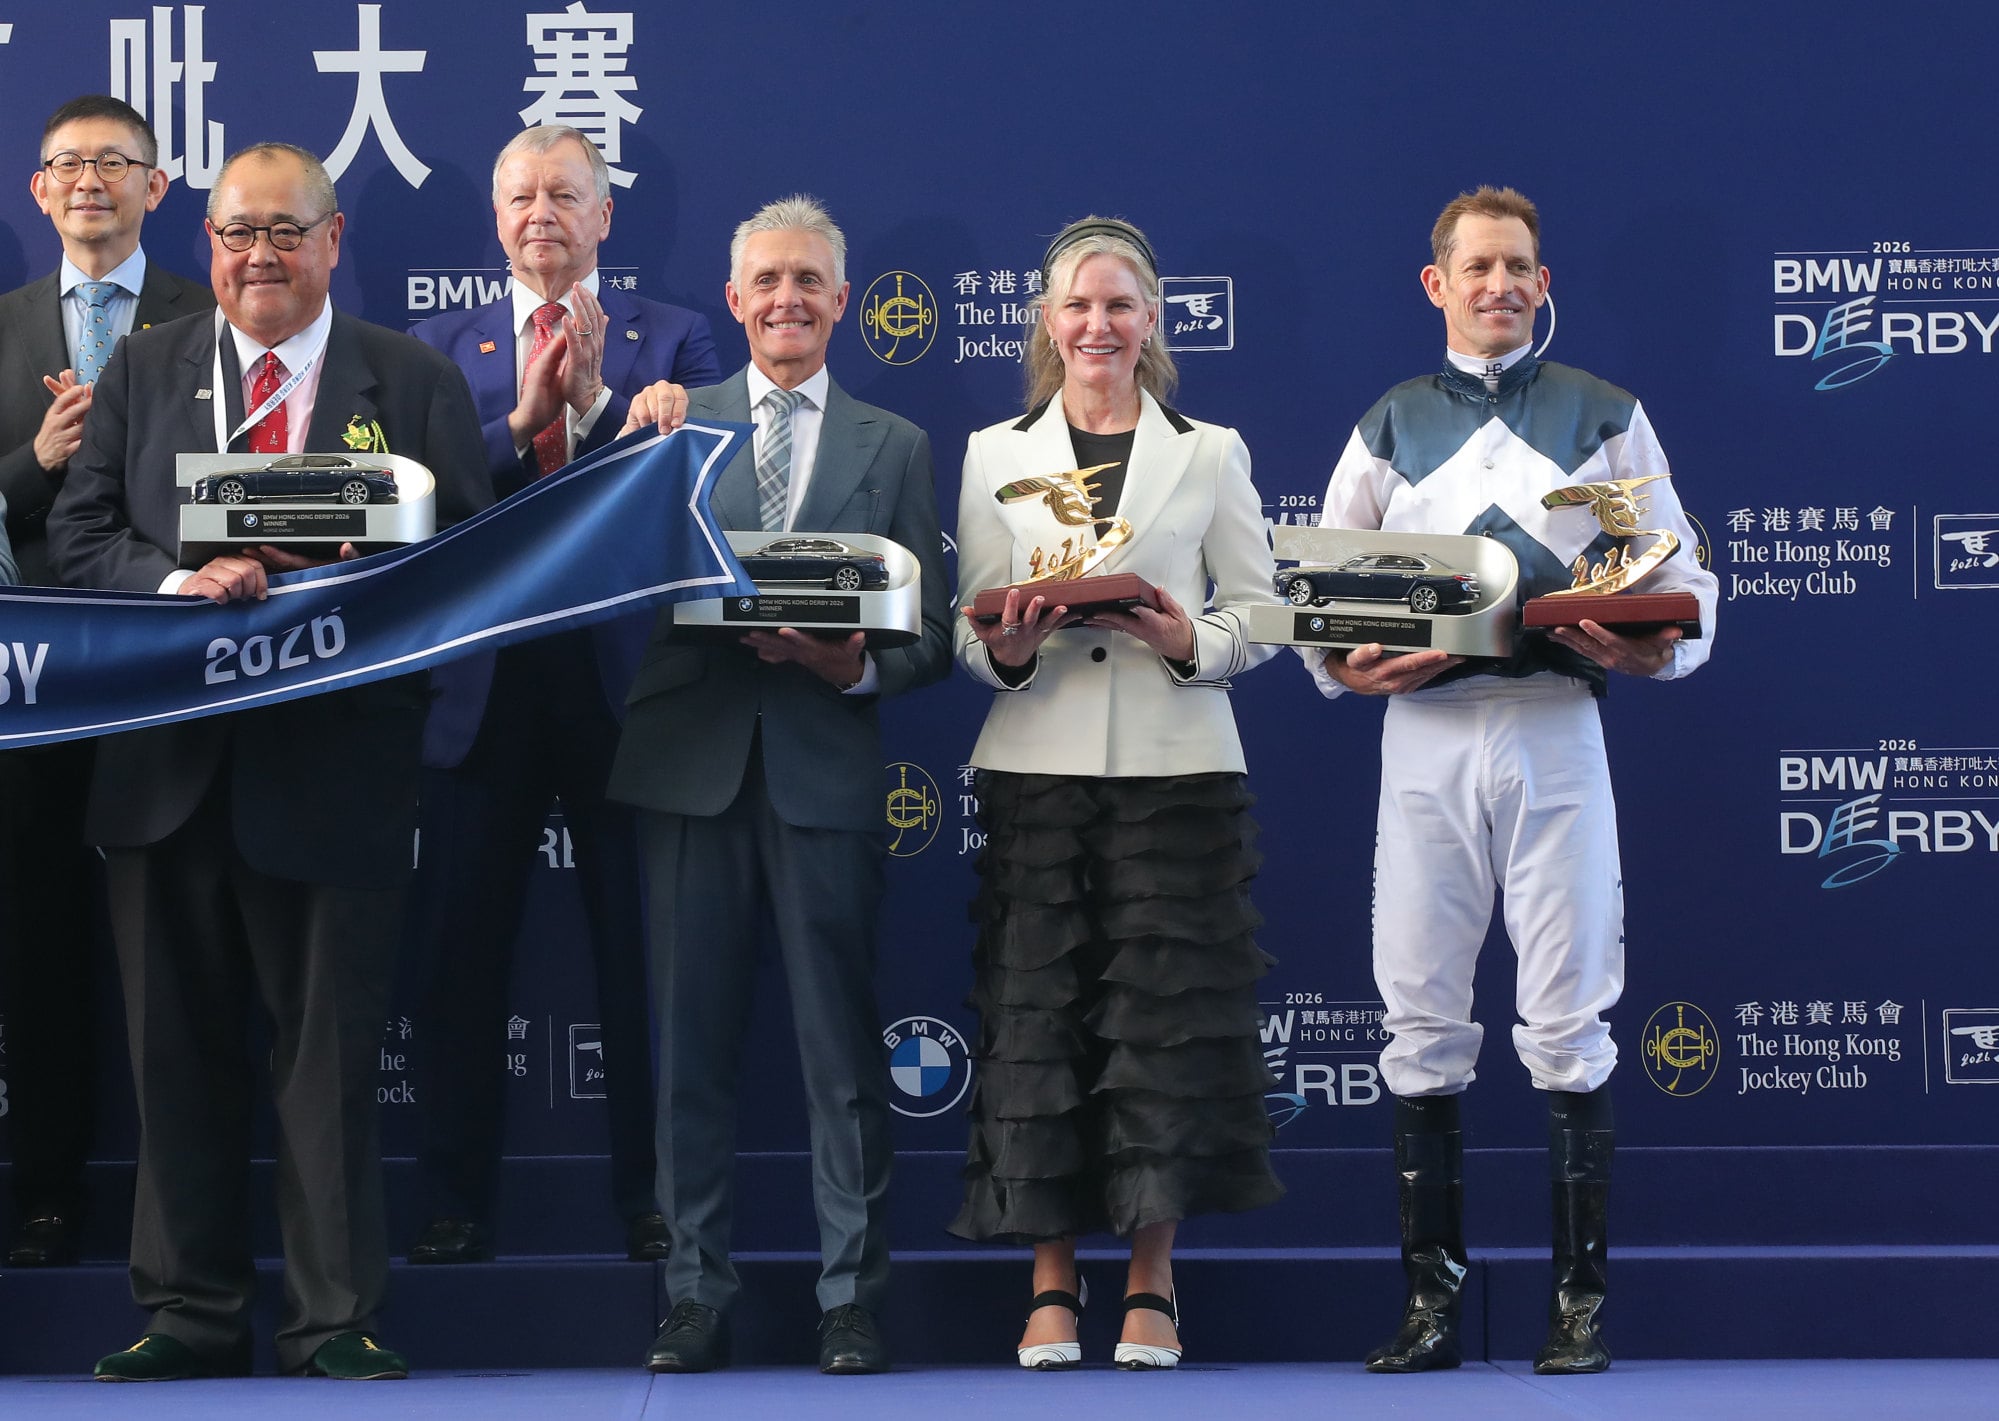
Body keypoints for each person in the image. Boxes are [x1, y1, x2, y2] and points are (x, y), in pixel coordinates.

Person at [46, 141, 491, 1381]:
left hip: (336, 772)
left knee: (327, 1063)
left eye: (285, 232)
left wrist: (343, 577)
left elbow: (466, 564)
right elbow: (80, 537)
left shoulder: (405, 377)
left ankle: (330, 1313)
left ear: (333, 241)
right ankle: (187, 1309)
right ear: (209, 246)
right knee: (172, 1056)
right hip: (166, 773)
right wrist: (180, 579)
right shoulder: (143, 371)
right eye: (238, 234)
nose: (260, 257)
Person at [1305, 186, 1717, 1375]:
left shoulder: (1605, 413)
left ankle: (1578, 1309)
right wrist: (1348, 661)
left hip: (1554, 724)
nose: (1499, 284)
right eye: (1478, 265)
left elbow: (1681, 574)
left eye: (1519, 266)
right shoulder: (1387, 422)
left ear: (1543, 282)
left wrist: (1656, 643)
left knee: (1570, 1012)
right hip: (1426, 743)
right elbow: (1323, 601)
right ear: (1435, 283)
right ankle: (1430, 1309)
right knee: (1419, 1013)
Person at [610, 194, 950, 1375]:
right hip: (690, 761)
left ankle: (849, 1298)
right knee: (687, 1048)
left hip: (822, 766)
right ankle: (693, 1294)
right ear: (735, 297)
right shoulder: (670, 426)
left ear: (841, 302)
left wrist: (851, 661)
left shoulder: (895, 444)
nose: (787, 300)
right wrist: (628, 441)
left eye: (809, 281)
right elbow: (608, 572)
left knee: (840, 1056)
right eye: (767, 281)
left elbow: (934, 633)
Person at [949, 216, 1284, 1371]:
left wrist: (1186, 633)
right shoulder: (994, 451)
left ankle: (1151, 1278)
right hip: (1036, 762)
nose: (1098, 325)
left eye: (1120, 304)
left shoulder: (1212, 451)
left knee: (1162, 1028)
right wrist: (1007, 647)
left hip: (1177, 765)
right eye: (1078, 306)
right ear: (1047, 322)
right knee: (1036, 1021)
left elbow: (1263, 612)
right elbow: (970, 617)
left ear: (1152, 321)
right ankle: (1050, 1280)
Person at [401, 123, 720, 1267]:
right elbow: (426, 506)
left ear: (605, 216)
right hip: (478, 687)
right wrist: (528, 420)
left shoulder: (678, 340)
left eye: (565, 195)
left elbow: (691, 499)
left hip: (622, 680)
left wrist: (593, 408)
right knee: (456, 957)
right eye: (521, 196)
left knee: (639, 952)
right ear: (495, 218)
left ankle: (652, 1195)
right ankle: (451, 1197)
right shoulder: (433, 352)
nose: (542, 213)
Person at [0, 95, 212, 1271]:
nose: (90, 181)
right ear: (38, 192)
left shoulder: (207, 314)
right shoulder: (1, 327)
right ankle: (42, 1187)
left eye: (114, 164)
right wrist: (30, 468)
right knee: (35, 940)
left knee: (176, 938)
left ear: (155, 186)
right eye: (68, 165)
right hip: (28, 687)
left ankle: (184, 1208)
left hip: (166, 670)